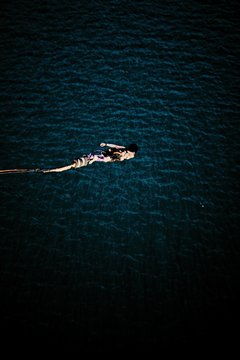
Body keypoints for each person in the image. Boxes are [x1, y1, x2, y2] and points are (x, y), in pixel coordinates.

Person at [72, 143, 138, 168]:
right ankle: (94, 158)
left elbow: (115, 146)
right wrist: (106, 144)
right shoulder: (130, 154)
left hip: (113, 152)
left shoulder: (125, 149)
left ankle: (89, 157)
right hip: (115, 155)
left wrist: (106, 144)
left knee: (103, 154)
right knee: (106, 159)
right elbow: (121, 157)